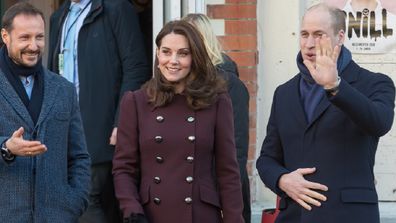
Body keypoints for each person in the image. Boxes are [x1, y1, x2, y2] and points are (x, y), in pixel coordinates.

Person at [256, 3, 395, 223]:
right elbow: (267, 159)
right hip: (294, 216)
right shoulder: (285, 93)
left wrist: (335, 86)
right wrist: (282, 180)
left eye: (319, 35)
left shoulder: (374, 83)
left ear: (340, 37)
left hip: (349, 216)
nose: (309, 44)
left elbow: (380, 123)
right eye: (304, 34)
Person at [112, 20, 244, 223]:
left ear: (195, 57)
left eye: (183, 53)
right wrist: (131, 209)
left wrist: (234, 219)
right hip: (150, 216)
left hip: (200, 215)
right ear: (157, 54)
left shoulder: (217, 101)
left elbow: (228, 172)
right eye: (166, 52)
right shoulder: (136, 101)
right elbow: (123, 168)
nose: (173, 60)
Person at [47, 0, 151, 222]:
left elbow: (136, 68)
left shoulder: (116, 8)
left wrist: (121, 120)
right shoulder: (59, 17)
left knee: (90, 200)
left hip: (101, 132)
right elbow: (52, 76)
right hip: (65, 131)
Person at [0, 2, 90, 222]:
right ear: (5, 36)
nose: (34, 46)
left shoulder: (64, 89)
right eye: (25, 38)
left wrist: (74, 203)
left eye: (39, 37)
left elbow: (79, 156)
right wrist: (5, 147)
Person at [182, 13, 251, 223]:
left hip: (219, 197)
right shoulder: (178, 86)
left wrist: (227, 204)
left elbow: (236, 152)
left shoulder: (230, 85)